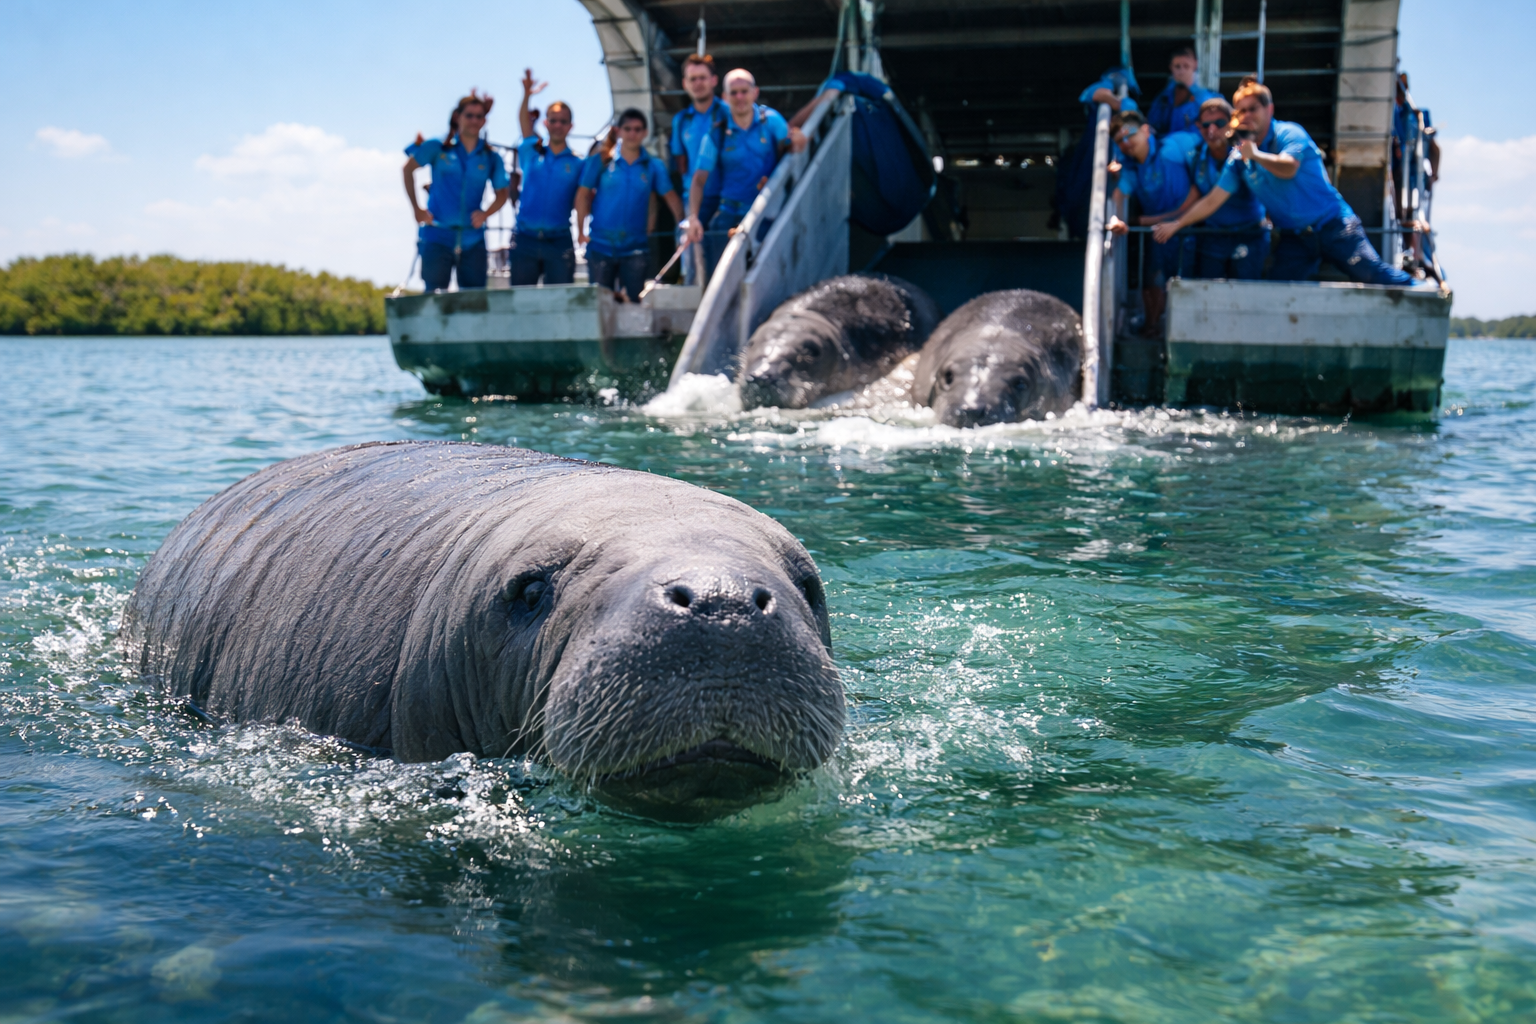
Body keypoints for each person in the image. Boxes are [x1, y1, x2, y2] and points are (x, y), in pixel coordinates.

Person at [1151, 79, 1413, 286]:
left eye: (1253, 108)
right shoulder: (1239, 158)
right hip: (1295, 239)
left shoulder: (1289, 133)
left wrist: (1255, 155)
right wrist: (1177, 223)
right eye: (1241, 111)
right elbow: (1212, 200)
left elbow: (1288, 168)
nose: (1247, 115)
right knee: (1276, 290)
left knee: (1372, 274)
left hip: (1334, 225)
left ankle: (1418, 291)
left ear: (1269, 109)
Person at [403, 90, 513, 291]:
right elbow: (408, 168)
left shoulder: (490, 156)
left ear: (484, 121)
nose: (474, 120)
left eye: (479, 116)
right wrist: (416, 209)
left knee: (474, 301)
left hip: (473, 240)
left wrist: (486, 214)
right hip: (437, 236)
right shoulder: (438, 146)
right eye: (469, 115)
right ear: (458, 117)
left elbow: (502, 193)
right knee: (434, 299)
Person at [684, 70, 804, 249]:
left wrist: (798, 142)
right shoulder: (716, 133)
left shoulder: (772, 122)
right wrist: (693, 218)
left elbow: (792, 150)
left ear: (755, 92)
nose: (739, 97)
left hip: (768, 213)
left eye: (744, 91)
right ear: (725, 97)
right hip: (729, 214)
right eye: (733, 92)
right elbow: (699, 179)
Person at [576, 108, 686, 301]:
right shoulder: (601, 161)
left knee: (635, 305)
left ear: (645, 132)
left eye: (637, 129)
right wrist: (580, 231)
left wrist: (683, 226)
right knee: (600, 307)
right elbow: (582, 195)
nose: (632, 134)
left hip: (635, 248)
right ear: (618, 131)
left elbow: (671, 198)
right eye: (627, 129)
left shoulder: (653, 166)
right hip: (600, 246)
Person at [1106, 110, 1199, 336]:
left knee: (1187, 284)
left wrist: (1157, 220)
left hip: (1189, 232)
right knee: (1153, 282)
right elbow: (1119, 196)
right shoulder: (1130, 169)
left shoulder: (1176, 146)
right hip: (1157, 236)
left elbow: (1199, 188)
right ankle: (1153, 327)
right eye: (1120, 140)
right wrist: (1117, 219)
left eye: (1130, 135)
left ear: (1146, 130)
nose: (1126, 143)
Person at [507, 69, 583, 286]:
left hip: (559, 241)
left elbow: (583, 199)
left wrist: (582, 232)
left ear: (571, 126)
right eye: (553, 120)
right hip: (525, 239)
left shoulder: (579, 163)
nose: (558, 125)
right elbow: (523, 123)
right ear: (545, 124)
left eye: (563, 121)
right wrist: (527, 94)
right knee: (521, 302)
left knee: (559, 304)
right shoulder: (532, 152)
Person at [1182, 96, 1268, 279]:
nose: (1211, 130)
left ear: (1232, 124)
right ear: (1198, 127)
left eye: (1219, 123)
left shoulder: (1246, 154)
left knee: (1245, 295)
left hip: (1250, 235)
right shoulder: (1195, 158)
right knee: (1208, 293)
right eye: (1205, 125)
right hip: (1212, 237)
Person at [1053, 66, 1140, 239]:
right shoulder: (1107, 107)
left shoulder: (1133, 120)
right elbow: (1093, 94)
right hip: (1094, 166)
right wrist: (1118, 103)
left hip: (1117, 170)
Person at [669, 54, 728, 284]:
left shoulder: (727, 112)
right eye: (692, 79)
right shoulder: (681, 120)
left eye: (702, 78)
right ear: (685, 83)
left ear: (714, 80)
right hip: (694, 201)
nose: (697, 83)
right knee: (692, 262)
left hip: (726, 198)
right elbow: (680, 161)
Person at [1146, 47, 1219, 137]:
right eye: (1177, 66)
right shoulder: (1162, 98)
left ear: (1195, 65)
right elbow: (1152, 127)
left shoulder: (1207, 98)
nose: (1181, 71)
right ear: (1171, 67)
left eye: (1186, 66)